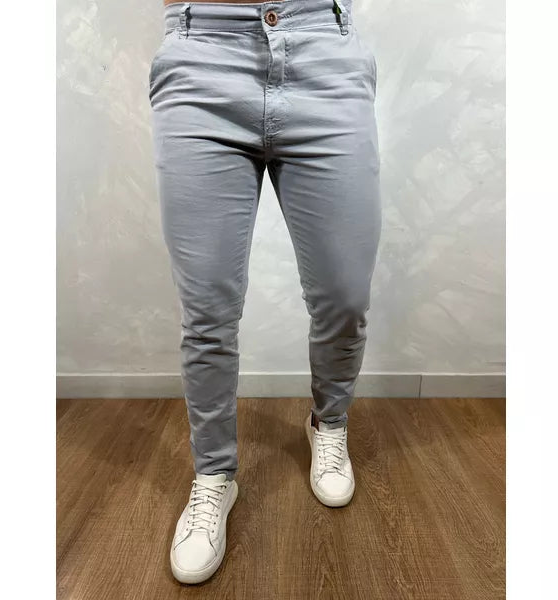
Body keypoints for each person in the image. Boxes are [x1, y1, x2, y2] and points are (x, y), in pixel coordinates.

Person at [149, 0, 381, 584]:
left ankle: (328, 424)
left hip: (323, 54)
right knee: (207, 310)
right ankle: (214, 476)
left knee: (345, 296)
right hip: (203, 59)